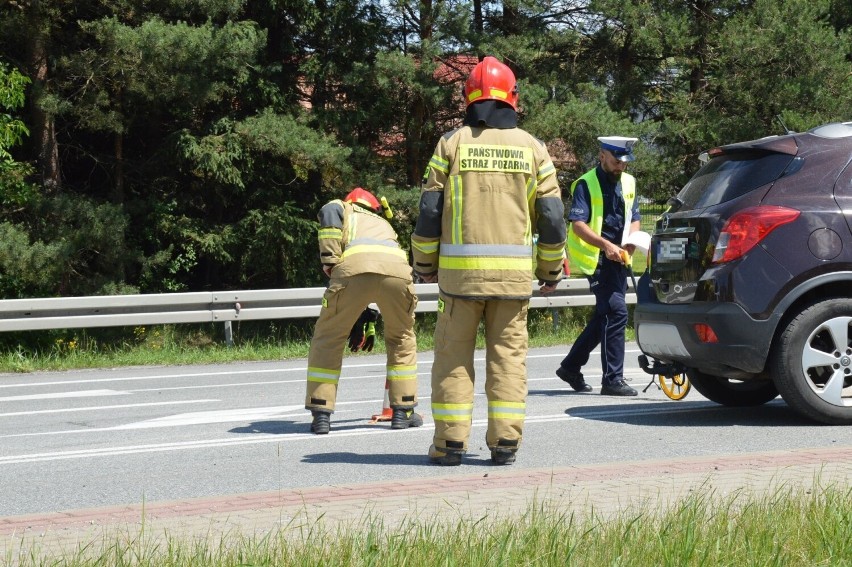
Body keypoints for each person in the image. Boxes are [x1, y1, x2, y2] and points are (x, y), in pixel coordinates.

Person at [412, 56, 566, 466]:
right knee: (508, 362)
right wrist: (550, 271)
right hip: (512, 285)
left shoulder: (451, 144)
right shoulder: (534, 149)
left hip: (460, 284)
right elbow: (552, 218)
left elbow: (429, 212)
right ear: (513, 98)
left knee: (452, 360)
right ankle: (505, 445)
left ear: (469, 98)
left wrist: (424, 265)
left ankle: (449, 445)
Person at [304, 188, 421, 434]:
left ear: (352, 201)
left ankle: (321, 413)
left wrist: (329, 260)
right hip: (398, 273)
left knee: (328, 338)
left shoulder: (343, 207)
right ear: (374, 207)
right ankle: (403, 411)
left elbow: (328, 212)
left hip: (352, 272)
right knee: (402, 339)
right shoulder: (384, 224)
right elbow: (379, 270)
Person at [556, 136, 642, 396]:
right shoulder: (585, 183)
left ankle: (570, 367)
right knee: (616, 312)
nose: (621, 167)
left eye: (624, 162)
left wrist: (629, 244)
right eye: (616, 161)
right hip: (597, 258)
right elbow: (578, 225)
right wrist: (606, 246)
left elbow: (635, 218)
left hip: (620, 256)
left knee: (605, 314)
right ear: (602, 155)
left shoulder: (629, 182)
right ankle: (612, 380)